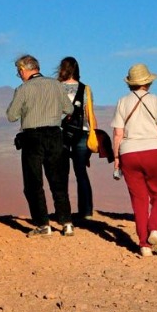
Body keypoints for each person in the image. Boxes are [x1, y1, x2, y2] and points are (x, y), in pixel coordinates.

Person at [6, 54, 73, 238]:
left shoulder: (23, 89)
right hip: (55, 135)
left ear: (23, 70)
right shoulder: (56, 85)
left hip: (32, 137)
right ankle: (66, 223)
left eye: (18, 71)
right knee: (58, 180)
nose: (19, 75)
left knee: (33, 183)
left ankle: (43, 225)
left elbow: (11, 115)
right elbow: (69, 109)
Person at [111, 64, 157, 257]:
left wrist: (116, 158)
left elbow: (117, 134)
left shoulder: (122, 102)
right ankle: (155, 229)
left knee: (139, 200)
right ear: (148, 82)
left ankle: (144, 245)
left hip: (129, 153)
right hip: (154, 151)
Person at [56, 57, 99, 220]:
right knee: (81, 172)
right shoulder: (86, 89)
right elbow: (90, 114)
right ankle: (86, 211)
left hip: (61, 132)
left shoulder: (56, 88)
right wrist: (94, 135)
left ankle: (64, 211)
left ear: (62, 69)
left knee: (62, 172)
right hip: (83, 133)